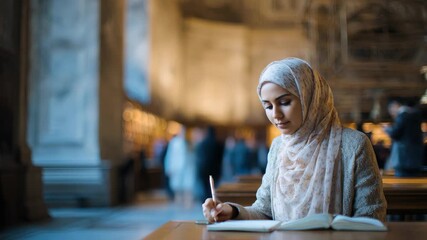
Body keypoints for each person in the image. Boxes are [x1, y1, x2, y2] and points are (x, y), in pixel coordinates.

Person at [202, 57, 387, 223]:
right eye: (267, 106)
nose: (276, 115)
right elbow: (264, 211)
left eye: (284, 102)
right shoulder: (278, 147)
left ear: (310, 98)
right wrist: (232, 211)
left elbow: (371, 215)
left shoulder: (353, 144)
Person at [384, 98, 424, 177]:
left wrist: (387, 129)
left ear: (395, 105)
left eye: (391, 108)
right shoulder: (416, 114)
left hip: (403, 158)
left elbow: (395, 134)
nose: (391, 112)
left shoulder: (403, 115)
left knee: (400, 184)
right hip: (415, 159)